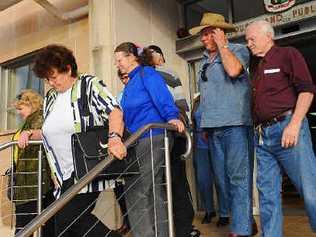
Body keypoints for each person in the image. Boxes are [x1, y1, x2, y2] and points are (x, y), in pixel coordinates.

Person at [28, 44, 125, 237]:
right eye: (47, 79)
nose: (51, 82)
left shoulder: (89, 84)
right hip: (62, 174)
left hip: (86, 168)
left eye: (54, 77)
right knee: (63, 228)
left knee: (69, 220)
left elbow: (115, 111)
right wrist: (31, 134)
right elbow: (52, 130)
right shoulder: (51, 98)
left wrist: (115, 138)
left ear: (68, 69)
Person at [245, 20, 316, 237]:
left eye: (251, 39)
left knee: (311, 191)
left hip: (287, 129)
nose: (248, 44)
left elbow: (306, 91)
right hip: (262, 137)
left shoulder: (287, 54)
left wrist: (294, 125)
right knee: (267, 196)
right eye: (247, 40)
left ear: (268, 36)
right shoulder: (257, 67)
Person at [189, 13, 254, 237]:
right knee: (223, 179)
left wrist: (223, 46)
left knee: (238, 178)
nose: (204, 38)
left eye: (208, 33)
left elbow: (234, 71)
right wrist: (205, 125)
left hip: (235, 124)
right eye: (203, 34)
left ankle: (242, 230)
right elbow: (206, 96)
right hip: (213, 129)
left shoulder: (238, 50)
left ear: (220, 33)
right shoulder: (205, 61)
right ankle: (243, 223)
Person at [114, 42, 184, 237]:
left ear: (132, 57)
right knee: (152, 190)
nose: (117, 64)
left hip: (152, 137)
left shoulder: (147, 74)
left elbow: (162, 97)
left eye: (120, 60)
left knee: (136, 191)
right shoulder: (132, 82)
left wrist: (172, 117)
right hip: (140, 139)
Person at [144, 44, 197, 237]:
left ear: (160, 56)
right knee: (173, 183)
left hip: (172, 135)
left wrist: (185, 129)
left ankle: (182, 227)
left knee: (174, 183)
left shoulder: (166, 74)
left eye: (153, 53)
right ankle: (179, 228)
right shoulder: (146, 76)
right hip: (167, 135)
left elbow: (181, 105)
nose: (151, 57)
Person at [12, 89, 54, 236]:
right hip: (28, 183)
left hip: (34, 183)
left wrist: (29, 133)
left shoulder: (38, 119)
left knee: (24, 227)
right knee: (40, 225)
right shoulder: (29, 121)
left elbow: (44, 134)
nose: (19, 112)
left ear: (31, 105)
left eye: (21, 108)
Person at [192, 92, 229, 225]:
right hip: (200, 145)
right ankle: (209, 210)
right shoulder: (197, 100)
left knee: (220, 178)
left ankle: (224, 213)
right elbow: (194, 121)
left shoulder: (220, 96)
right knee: (203, 180)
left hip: (216, 141)